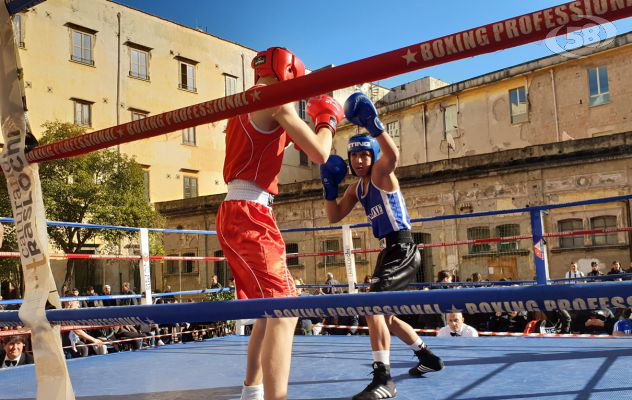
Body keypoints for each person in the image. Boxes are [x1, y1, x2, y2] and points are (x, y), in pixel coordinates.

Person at [216, 47, 343, 400]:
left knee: (267, 311)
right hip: (249, 213)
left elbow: (266, 146)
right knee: (285, 312)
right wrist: (327, 121)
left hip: (240, 209)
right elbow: (319, 153)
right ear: (289, 74)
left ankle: (252, 392)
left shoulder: (243, 103)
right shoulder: (277, 101)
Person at [321, 92, 443, 400]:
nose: (360, 160)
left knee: (371, 306)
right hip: (388, 252)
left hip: (402, 248)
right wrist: (328, 187)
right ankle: (427, 357)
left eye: (365, 155)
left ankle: (383, 379)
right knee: (385, 316)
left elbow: (394, 157)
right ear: (349, 159)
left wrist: (375, 126)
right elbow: (334, 216)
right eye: (355, 156)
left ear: (372, 157)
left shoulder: (380, 174)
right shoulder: (356, 188)